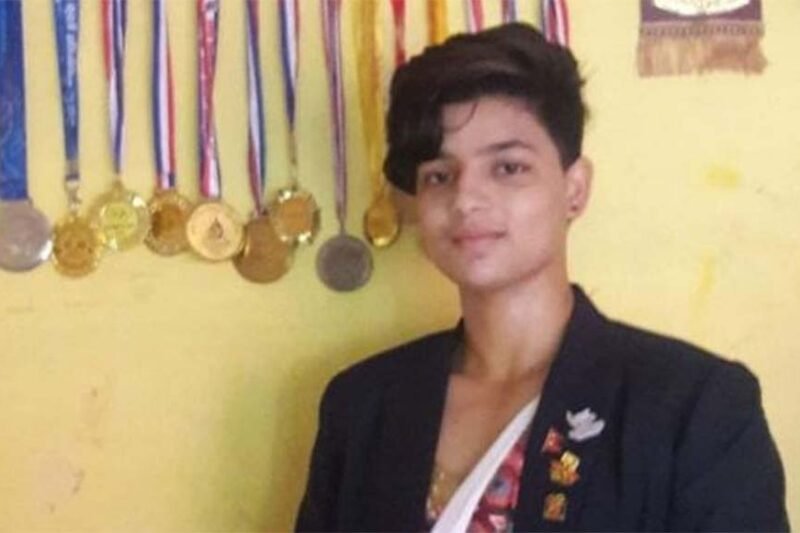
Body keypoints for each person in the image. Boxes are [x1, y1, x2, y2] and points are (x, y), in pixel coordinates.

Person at [295, 22, 788, 532]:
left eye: (508, 167)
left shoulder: (693, 406)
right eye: (439, 176)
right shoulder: (364, 405)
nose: (466, 199)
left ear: (575, 189)